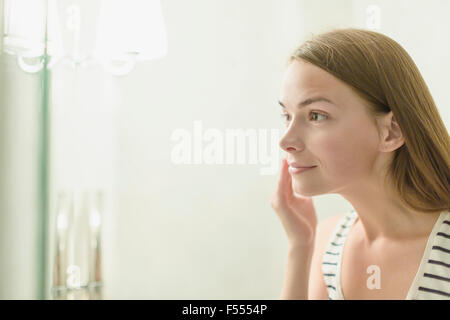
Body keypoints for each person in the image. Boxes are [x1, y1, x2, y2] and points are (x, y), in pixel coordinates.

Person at [270, 28, 450, 300]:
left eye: (316, 115)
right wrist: (300, 246)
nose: (286, 140)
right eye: (286, 115)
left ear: (391, 132)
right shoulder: (326, 243)